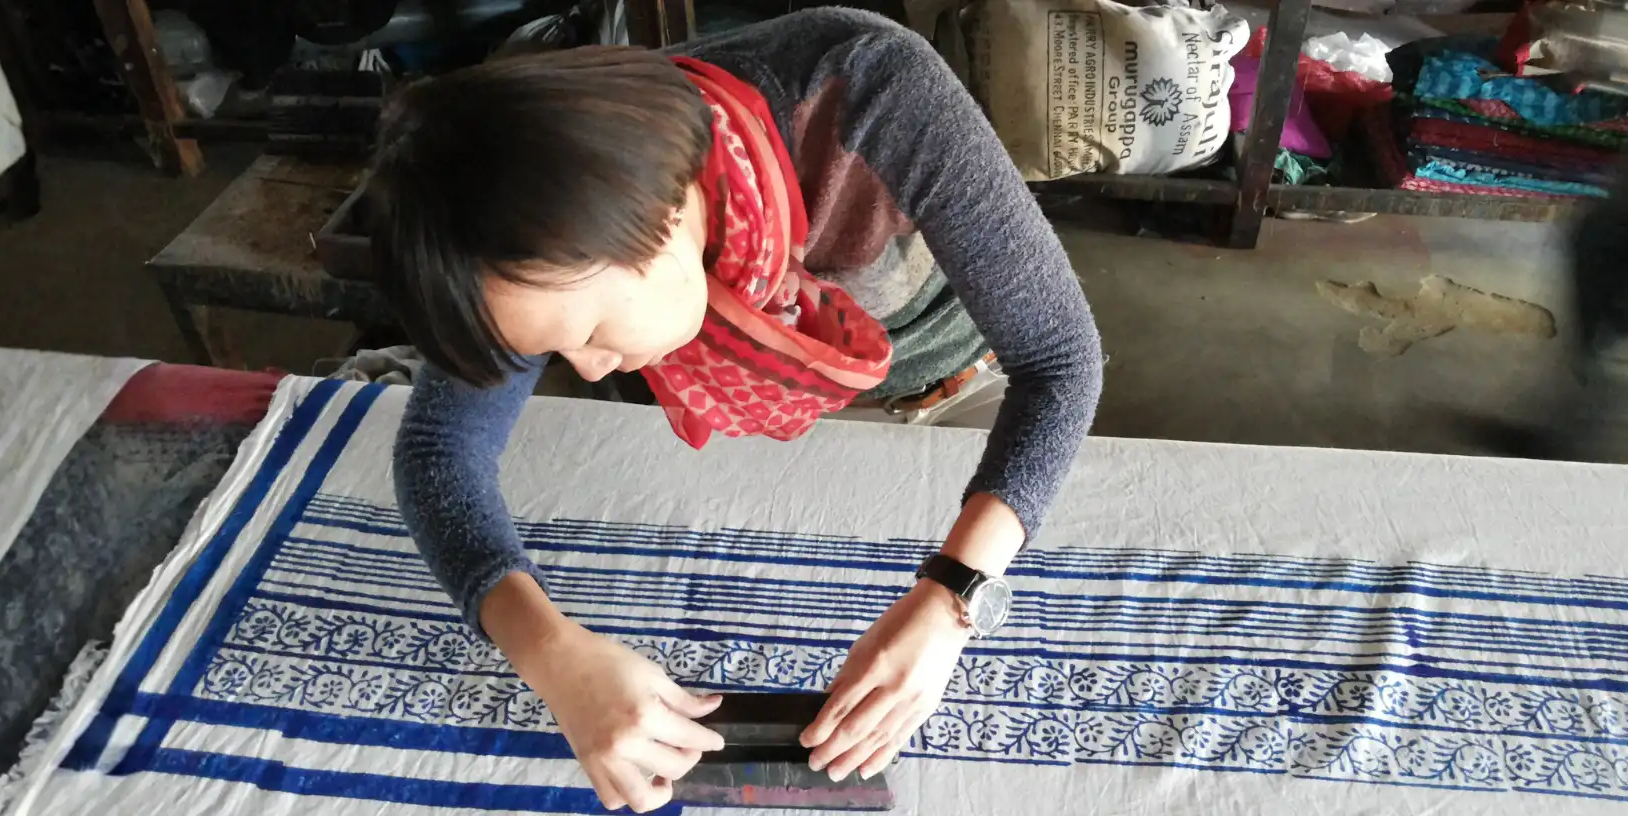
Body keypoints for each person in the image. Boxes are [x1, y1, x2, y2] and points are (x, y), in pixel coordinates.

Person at [369, 8, 1103, 813]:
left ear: (662, 218)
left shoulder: (867, 91)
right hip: (726, 421)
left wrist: (952, 597)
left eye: (584, 333)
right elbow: (441, 450)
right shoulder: (528, 228)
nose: (582, 367)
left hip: (958, 385)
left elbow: (1060, 364)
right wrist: (552, 653)